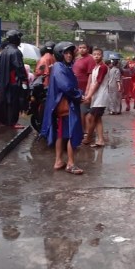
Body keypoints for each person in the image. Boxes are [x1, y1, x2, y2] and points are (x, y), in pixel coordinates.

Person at [40, 41, 85, 175]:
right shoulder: (60, 67)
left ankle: (58, 161)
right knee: (72, 134)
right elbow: (66, 86)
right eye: (66, 53)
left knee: (61, 135)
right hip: (67, 106)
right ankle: (70, 164)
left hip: (61, 106)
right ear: (60, 54)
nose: (69, 55)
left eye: (70, 53)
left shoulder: (61, 66)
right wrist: (79, 96)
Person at [0, 30, 28, 129]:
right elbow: (19, 67)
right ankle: (12, 122)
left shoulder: (4, 51)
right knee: (14, 102)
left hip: (3, 82)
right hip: (13, 82)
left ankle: (7, 121)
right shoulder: (16, 51)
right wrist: (24, 79)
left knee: (6, 102)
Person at [83, 48, 109, 147]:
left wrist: (89, 95)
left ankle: (88, 138)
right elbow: (92, 83)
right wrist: (89, 95)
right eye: (95, 54)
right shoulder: (95, 68)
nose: (96, 56)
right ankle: (100, 140)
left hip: (101, 97)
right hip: (96, 97)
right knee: (97, 119)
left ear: (102, 56)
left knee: (91, 117)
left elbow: (98, 83)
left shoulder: (103, 67)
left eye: (98, 54)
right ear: (92, 56)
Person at [72, 42, 96, 132]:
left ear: (88, 49)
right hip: (76, 89)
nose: (82, 49)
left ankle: (85, 131)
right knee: (78, 111)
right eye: (80, 47)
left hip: (84, 89)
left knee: (84, 111)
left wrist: (88, 90)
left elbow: (90, 75)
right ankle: (80, 130)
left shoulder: (90, 59)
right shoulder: (77, 59)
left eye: (84, 48)